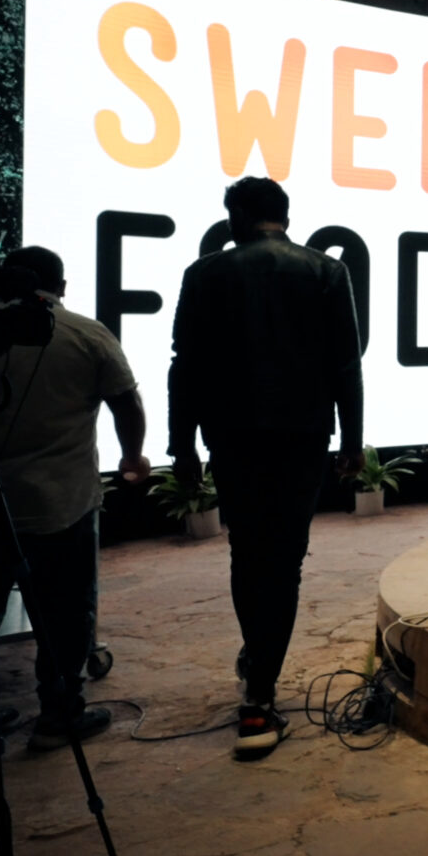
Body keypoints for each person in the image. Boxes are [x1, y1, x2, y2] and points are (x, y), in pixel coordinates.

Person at [169, 177, 364, 759]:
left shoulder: (205, 274)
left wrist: (181, 448)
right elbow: (344, 366)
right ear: (284, 215)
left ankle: (258, 669)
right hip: (304, 437)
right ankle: (258, 690)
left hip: (232, 439)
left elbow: (188, 367)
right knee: (285, 561)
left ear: (236, 218)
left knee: (247, 553)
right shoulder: (326, 272)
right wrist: (352, 441)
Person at [0, 247, 148, 752]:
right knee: (65, 614)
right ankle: (59, 714)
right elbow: (126, 401)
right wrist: (132, 456)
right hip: (61, 504)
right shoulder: (86, 334)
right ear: (61, 287)